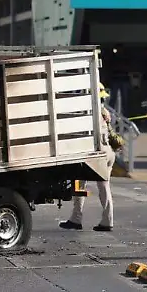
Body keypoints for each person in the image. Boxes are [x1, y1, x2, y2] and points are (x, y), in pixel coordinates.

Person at [60, 85, 117, 232]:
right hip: (108, 152)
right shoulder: (105, 112)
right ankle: (107, 220)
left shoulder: (91, 113)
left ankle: (76, 218)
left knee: (79, 182)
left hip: (96, 155)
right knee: (104, 187)